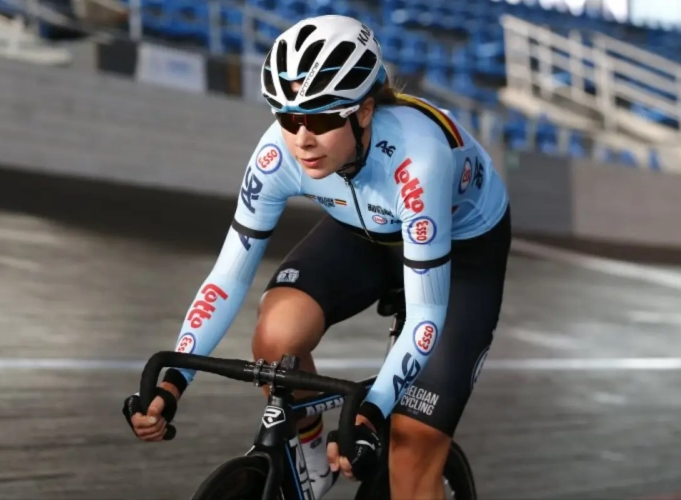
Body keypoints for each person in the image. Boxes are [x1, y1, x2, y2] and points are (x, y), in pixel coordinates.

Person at [123, 14, 511, 500]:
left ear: (365, 112)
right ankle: (309, 463)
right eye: (287, 117)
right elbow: (226, 277)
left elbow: (427, 315)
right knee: (276, 335)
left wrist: (371, 413)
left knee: (411, 453)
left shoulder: (419, 160)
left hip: (460, 245)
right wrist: (174, 381)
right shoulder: (277, 155)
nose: (302, 138)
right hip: (363, 226)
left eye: (323, 118)